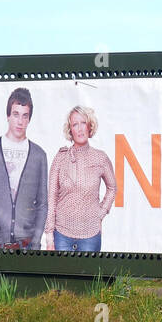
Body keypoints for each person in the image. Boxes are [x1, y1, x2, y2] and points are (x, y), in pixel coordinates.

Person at [0, 87, 47, 249]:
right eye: (16, 114)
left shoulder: (39, 155)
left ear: (29, 119)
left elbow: (42, 203)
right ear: (8, 115)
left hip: (27, 244)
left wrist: (36, 241)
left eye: (25, 116)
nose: (20, 121)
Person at [43, 106, 117, 252]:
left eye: (83, 122)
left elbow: (112, 188)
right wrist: (49, 236)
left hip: (91, 235)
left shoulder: (100, 158)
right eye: (75, 124)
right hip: (61, 235)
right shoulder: (60, 158)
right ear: (70, 130)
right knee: (61, 275)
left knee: (89, 275)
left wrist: (100, 213)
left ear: (90, 126)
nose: (80, 128)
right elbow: (51, 198)